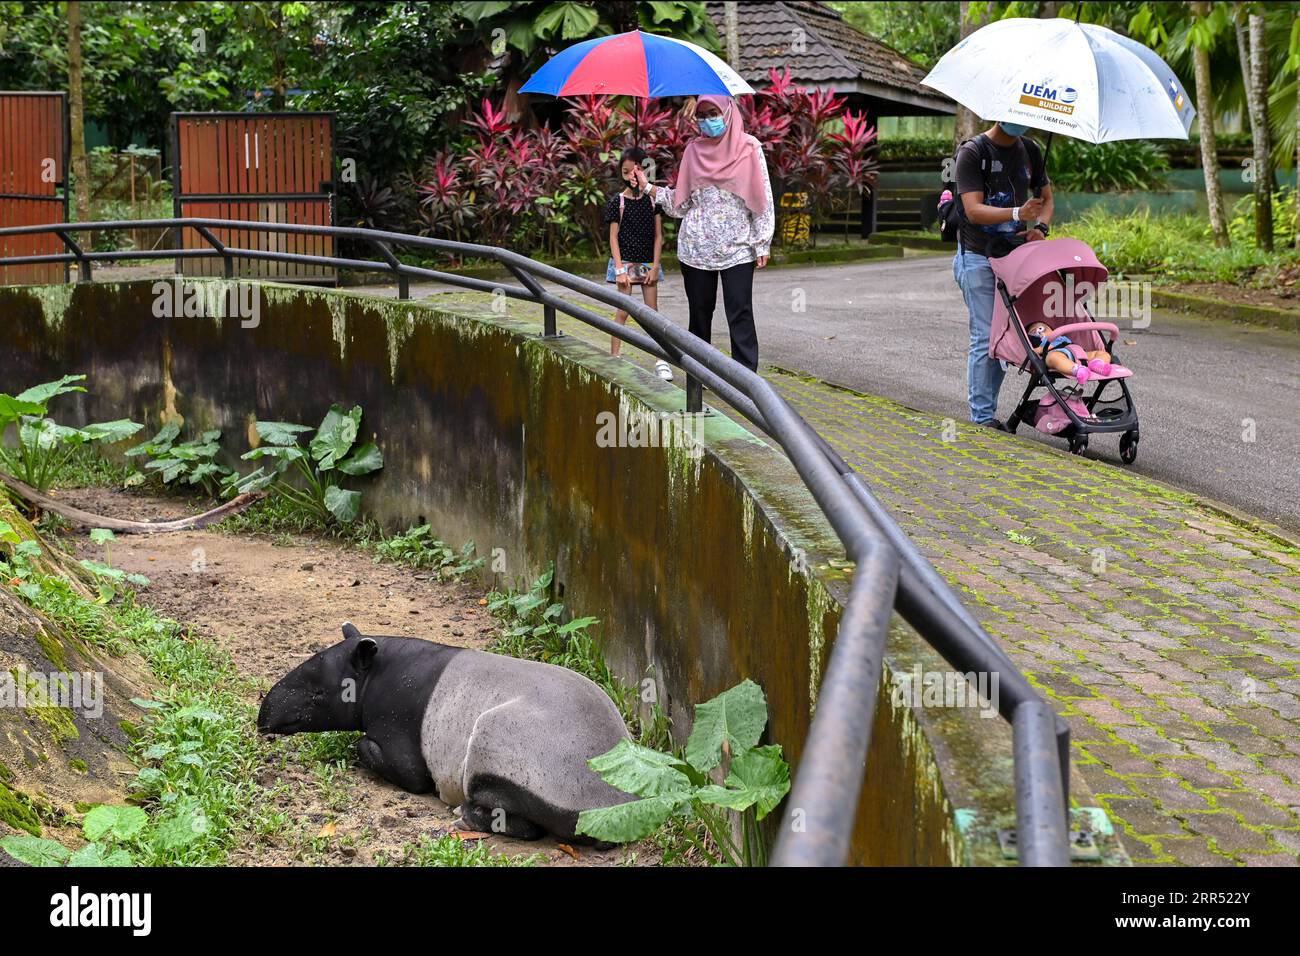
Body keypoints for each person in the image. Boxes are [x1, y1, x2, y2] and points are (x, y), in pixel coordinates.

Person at [634, 94, 773, 373]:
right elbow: (680, 204)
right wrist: (647, 187)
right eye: (702, 115)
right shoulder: (693, 151)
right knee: (699, 314)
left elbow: (763, 198)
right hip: (695, 248)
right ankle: (699, 376)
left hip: (739, 247)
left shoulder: (749, 148)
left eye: (713, 113)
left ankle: (746, 380)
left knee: (740, 312)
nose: (707, 120)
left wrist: (762, 243)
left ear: (728, 113)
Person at [953, 120, 1053, 429]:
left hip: (1016, 258)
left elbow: (1047, 198)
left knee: (1004, 338)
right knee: (986, 335)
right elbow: (972, 209)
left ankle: (987, 413)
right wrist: (1016, 214)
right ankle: (982, 418)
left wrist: (1040, 227)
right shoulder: (972, 152)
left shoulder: (1031, 150)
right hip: (978, 256)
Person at [604, 146, 673, 381]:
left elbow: (658, 236)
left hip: (647, 263)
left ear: (644, 170)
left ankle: (661, 360)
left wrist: (655, 267)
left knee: (652, 314)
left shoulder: (653, 202)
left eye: (636, 171)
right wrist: (620, 269)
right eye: (626, 172)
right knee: (622, 312)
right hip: (625, 262)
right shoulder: (618, 202)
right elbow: (613, 237)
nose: (631, 177)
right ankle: (614, 357)